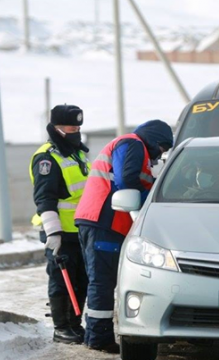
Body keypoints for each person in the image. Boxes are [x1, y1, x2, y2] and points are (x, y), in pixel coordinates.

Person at [74, 119, 173, 353]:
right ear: (155, 140)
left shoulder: (135, 148)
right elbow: (126, 180)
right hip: (104, 221)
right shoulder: (132, 143)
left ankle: (94, 335)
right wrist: (153, 196)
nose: (161, 154)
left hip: (103, 221)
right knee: (102, 280)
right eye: (162, 147)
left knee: (102, 280)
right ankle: (98, 338)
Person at [29, 104, 90, 344]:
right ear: (56, 127)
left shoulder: (77, 153)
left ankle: (75, 324)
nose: (75, 130)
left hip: (81, 229)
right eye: (70, 126)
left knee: (81, 280)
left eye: (78, 126)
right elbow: (45, 198)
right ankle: (61, 327)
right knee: (61, 280)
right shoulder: (48, 157)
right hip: (60, 232)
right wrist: (53, 232)